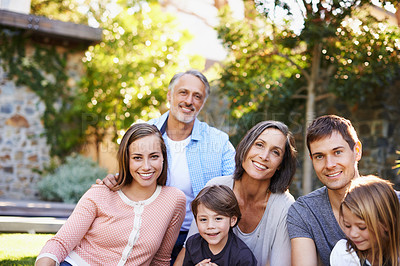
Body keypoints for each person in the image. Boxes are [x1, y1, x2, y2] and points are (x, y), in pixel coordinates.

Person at [98, 70, 236, 264]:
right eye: (183, 92)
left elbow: (235, 189)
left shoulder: (219, 142)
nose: (189, 101)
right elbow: (130, 173)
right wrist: (114, 180)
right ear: (169, 95)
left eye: (197, 96)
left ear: (202, 103)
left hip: (199, 237)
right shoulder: (144, 132)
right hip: (148, 232)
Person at [36, 123, 186, 266]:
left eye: (154, 156)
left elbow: (160, 260)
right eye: (137, 158)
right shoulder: (101, 193)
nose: (146, 166)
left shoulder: (174, 200)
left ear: (163, 158)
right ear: (126, 159)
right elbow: (60, 243)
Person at [176, 120, 297, 266]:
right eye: (259, 145)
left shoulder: (285, 207)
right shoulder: (215, 187)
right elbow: (187, 253)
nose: (264, 156)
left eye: (275, 152)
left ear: (281, 165)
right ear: (246, 146)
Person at [330, 175, 400, 266]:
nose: (353, 234)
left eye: (362, 227)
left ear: (386, 223)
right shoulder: (346, 254)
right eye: (347, 225)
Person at [183, 184, 257, 266]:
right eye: (203, 219)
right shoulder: (192, 244)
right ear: (196, 221)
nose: (210, 226)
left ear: (232, 220)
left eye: (218, 218)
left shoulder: (242, 256)